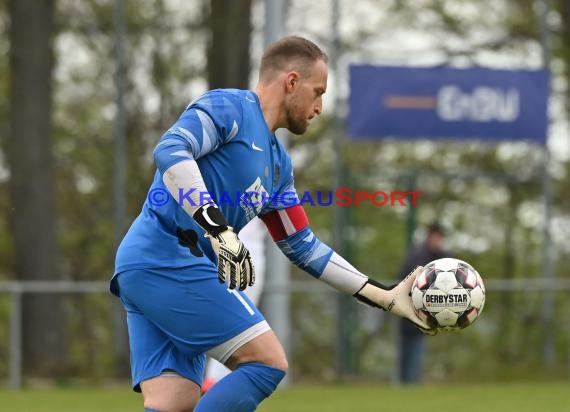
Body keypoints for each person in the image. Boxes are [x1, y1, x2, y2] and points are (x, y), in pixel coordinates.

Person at [111, 35, 434, 412]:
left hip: (151, 267)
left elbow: (305, 247)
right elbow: (171, 150)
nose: (319, 107)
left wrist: (383, 295)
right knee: (266, 361)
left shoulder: (278, 167)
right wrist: (217, 228)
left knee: (175, 401)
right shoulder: (229, 107)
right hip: (165, 256)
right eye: (318, 92)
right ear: (292, 82)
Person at [201, 217, 267, 394]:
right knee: (240, 320)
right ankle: (215, 381)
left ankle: (212, 379)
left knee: (228, 318)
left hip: (216, 243)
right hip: (241, 247)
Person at [397, 223, 450, 384]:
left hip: (428, 312)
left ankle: (410, 383)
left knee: (415, 349)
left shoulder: (442, 256)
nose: (438, 241)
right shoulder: (418, 256)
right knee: (409, 350)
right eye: (436, 237)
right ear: (429, 236)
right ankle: (408, 384)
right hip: (410, 309)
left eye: (440, 238)